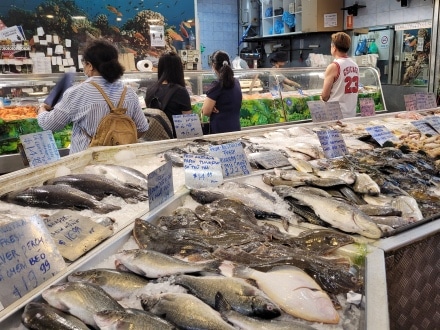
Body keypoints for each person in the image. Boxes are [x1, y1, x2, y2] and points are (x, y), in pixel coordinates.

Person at [37, 39, 149, 154]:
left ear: (90, 65)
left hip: (87, 163)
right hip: (119, 162)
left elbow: (49, 124)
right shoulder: (129, 92)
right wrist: (118, 141)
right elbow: (142, 128)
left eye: (84, 64)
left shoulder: (77, 92)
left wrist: (42, 108)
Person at [145, 52, 192, 137]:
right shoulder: (180, 91)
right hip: (174, 138)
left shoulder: (150, 89)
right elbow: (187, 120)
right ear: (178, 69)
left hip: (155, 137)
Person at [201, 50, 242, 134]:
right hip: (236, 128)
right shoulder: (236, 82)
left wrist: (211, 108)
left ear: (213, 65)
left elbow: (205, 111)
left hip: (220, 130)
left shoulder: (217, 85)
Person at [321, 32, 359, 118]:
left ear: (334, 47)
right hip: (351, 114)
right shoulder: (355, 65)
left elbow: (325, 96)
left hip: (336, 115)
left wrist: (321, 98)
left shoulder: (334, 66)